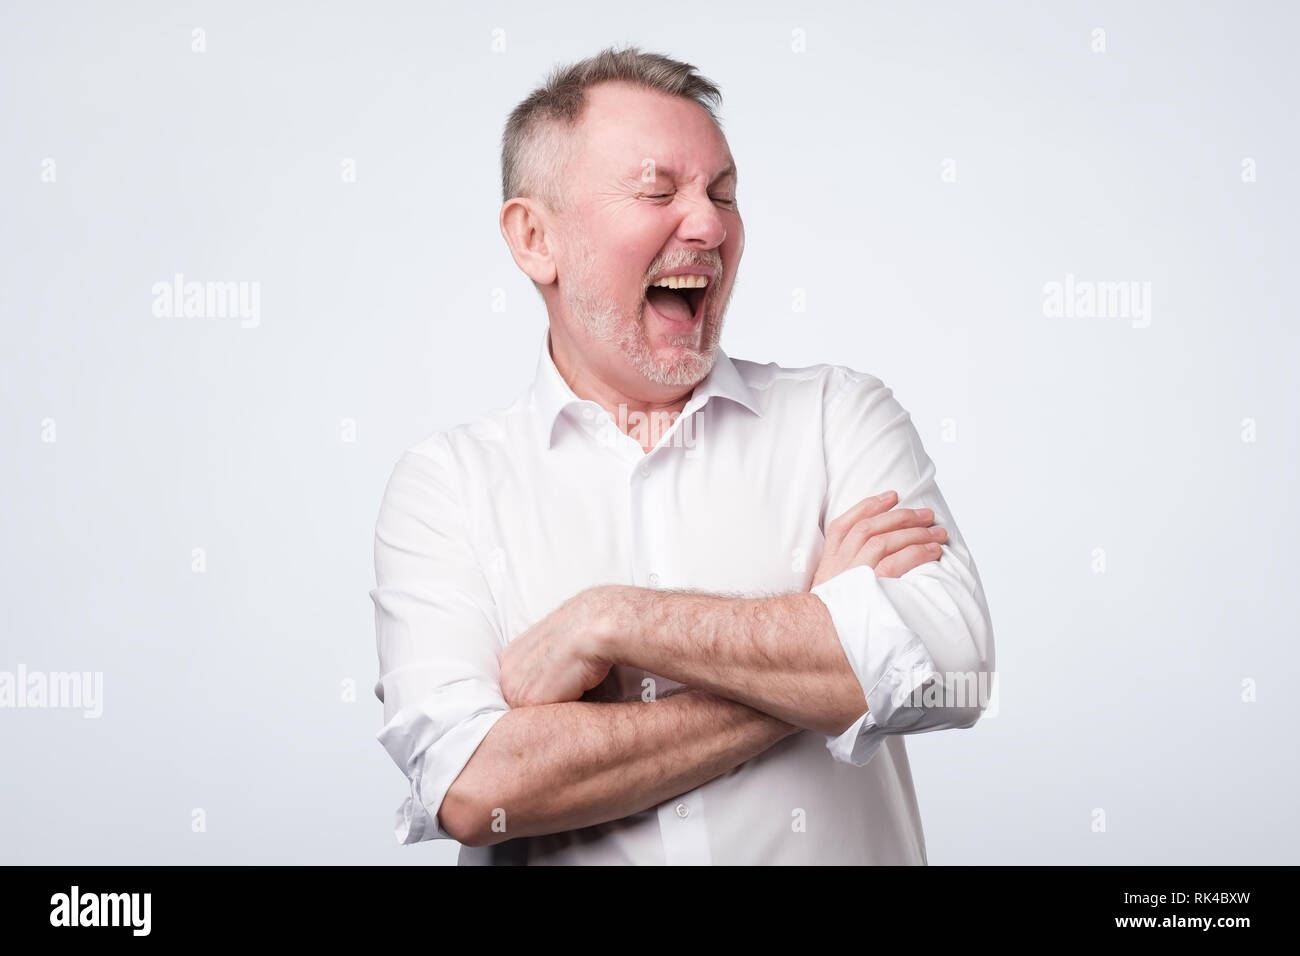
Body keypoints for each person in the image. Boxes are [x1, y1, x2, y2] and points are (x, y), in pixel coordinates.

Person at [370, 46, 995, 865]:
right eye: (658, 191)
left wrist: (612, 621)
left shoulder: (840, 416)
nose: (708, 225)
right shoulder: (445, 487)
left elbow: (950, 666)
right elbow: (477, 787)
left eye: (723, 193)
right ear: (534, 239)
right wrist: (817, 660)